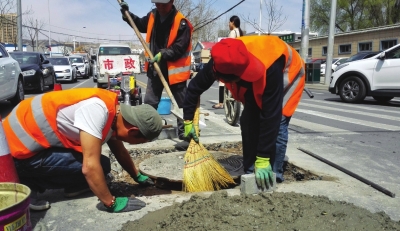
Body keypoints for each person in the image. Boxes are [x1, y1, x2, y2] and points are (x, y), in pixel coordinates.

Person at [3, 88, 163, 213]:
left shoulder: (115, 112)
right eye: (139, 141)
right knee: (96, 167)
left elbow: (119, 150)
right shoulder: (96, 111)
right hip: (14, 155)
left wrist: (137, 175)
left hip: (29, 144)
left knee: (103, 165)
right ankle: (29, 184)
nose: (133, 144)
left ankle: (73, 185)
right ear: (133, 130)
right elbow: (89, 167)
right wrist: (111, 202)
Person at [183, 36, 305, 190]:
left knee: (278, 123)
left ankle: (274, 177)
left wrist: (263, 158)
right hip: (259, 76)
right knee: (248, 121)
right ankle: (249, 171)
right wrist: (187, 120)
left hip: (287, 74)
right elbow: (194, 88)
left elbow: (270, 115)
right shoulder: (219, 62)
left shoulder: (270, 66)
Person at [120, 0, 193, 141]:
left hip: (174, 71)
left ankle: (185, 133)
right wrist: (127, 14)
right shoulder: (153, 15)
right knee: (150, 102)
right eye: (157, 3)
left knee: (181, 103)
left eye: (163, 4)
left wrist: (163, 54)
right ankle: (146, 130)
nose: (159, 6)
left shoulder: (181, 22)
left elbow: (180, 47)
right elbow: (140, 24)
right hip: (156, 68)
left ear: (171, 2)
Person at [212, 15, 243, 109]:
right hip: (239, 61)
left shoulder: (233, 33)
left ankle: (221, 103)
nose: (228, 24)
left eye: (229, 22)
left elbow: (229, 48)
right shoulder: (240, 33)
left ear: (233, 22)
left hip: (231, 60)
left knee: (222, 81)